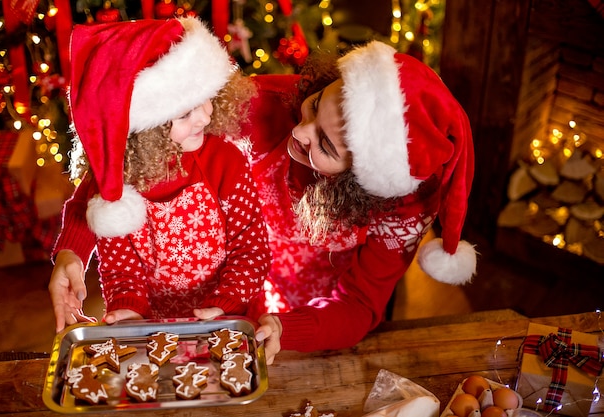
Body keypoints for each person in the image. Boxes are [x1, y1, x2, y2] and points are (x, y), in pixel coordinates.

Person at [50, 39, 476, 365]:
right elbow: (131, 155)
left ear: (366, 183)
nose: (300, 133)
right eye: (313, 107)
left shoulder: (404, 199)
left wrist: (287, 328)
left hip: (316, 321)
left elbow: (361, 303)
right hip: (229, 301)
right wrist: (74, 246)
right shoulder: (260, 105)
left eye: (324, 146)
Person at [52, 16, 270, 329]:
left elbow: (250, 246)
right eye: (185, 112)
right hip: (155, 322)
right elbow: (120, 268)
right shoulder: (117, 181)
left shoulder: (226, 162)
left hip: (231, 314)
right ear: (145, 130)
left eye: (205, 98)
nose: (206, 116)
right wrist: (128, 308)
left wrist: (227, 303)